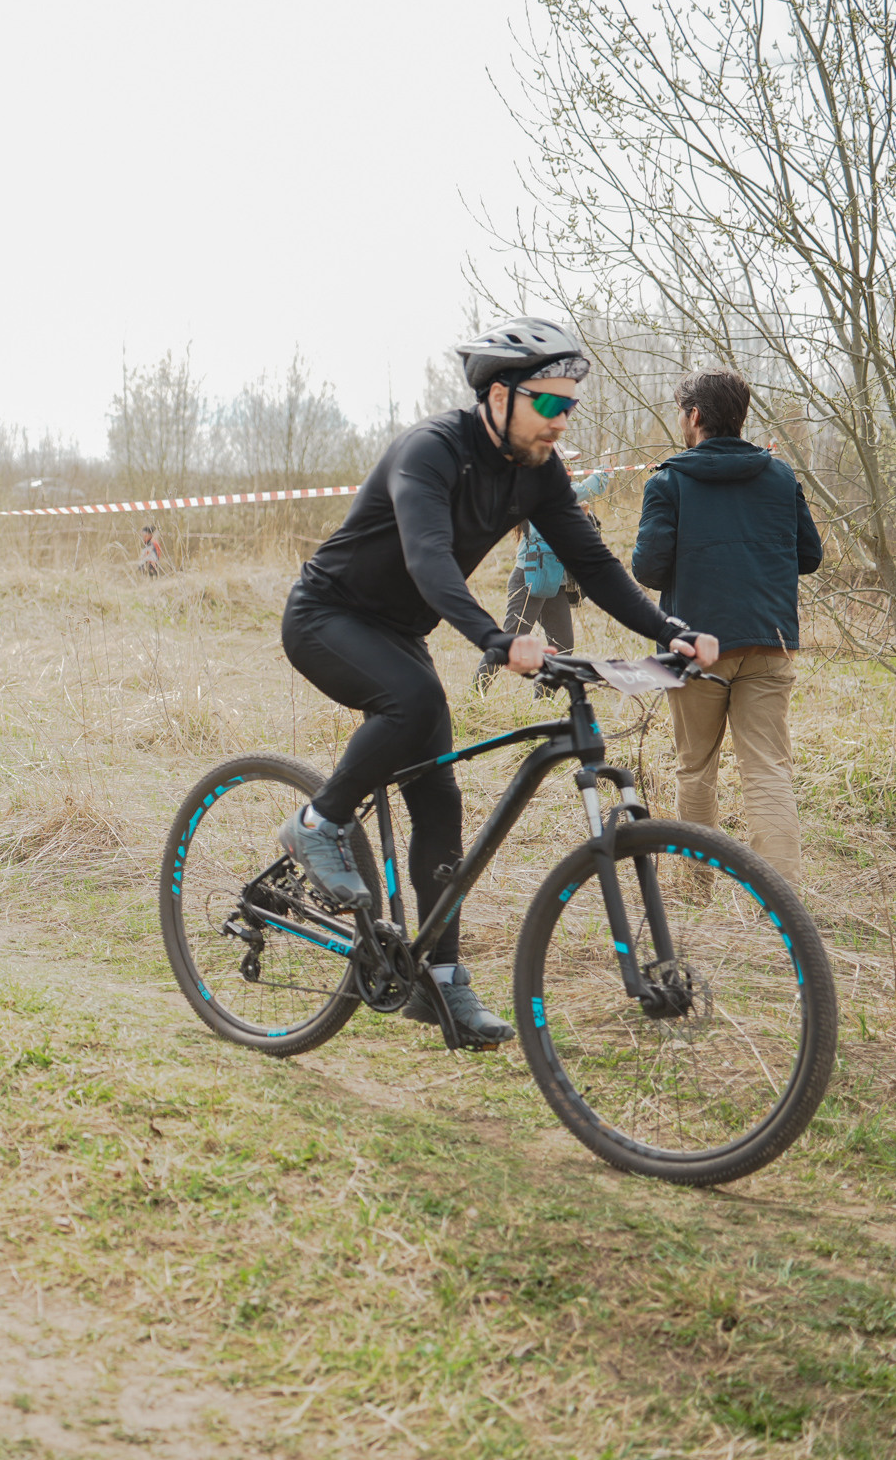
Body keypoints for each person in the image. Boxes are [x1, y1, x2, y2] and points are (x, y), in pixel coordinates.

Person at [277, 317, 718, 1046]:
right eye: (550, 403)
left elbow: (594, 563)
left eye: (570, 404)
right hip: (327, 616)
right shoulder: (430, 451)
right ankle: (317, 825)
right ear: (500, 395)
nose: (562, 418)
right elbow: (427, 559)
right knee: (412, 700)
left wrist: (669, 630)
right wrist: (495, 638)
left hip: (398, 634)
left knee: (442, 806)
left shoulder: (539, 473)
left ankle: (441, 987)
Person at [632, 366, 823, 891]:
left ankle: (694, 892)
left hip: (696, 646)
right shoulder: (781, 476)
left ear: (694, 415)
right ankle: (783, 906)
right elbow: (810, 555)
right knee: (767, 770)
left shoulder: (667, 481)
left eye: (681, 411)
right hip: (771, 641)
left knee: (695, 768)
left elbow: (647, 570)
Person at [472, 450, 612, 690]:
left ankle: (543, 701)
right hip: (530, 577)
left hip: (554, 581)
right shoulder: (541, 488)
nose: (567, 466)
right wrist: (606, 468)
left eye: (569, 463)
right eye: (563, 461)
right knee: (508, 643)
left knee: (563, 646)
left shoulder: (559, 493)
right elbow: (590, 487)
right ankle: (476, 695)